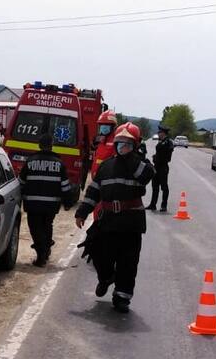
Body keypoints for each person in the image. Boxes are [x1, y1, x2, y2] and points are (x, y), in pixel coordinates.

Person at [75, 123, 154, 313]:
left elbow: (145, 177)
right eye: (120, 142)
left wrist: (131, 157)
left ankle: (122, 297)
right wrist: (83, 211)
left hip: (131, 222)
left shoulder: (141, 165)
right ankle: (106, 277)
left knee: (128, 262)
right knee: (97, 252)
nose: (122, 146)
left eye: (127, 143)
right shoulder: (107, 165)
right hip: (108, 219)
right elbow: (94, 189)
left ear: (135, 145)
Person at [19, 133, 76, 266]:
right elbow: (65, 186)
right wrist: (68, 203)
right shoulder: (59, 164)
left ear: (39, 145)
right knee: (47, 225)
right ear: (51, 146)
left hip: (33, 204)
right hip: (51, 205)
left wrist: (18, 199)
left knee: (35, 228)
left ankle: (41, 256)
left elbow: (21, 182)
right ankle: (46, 248)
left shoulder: (30, 161)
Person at [146, 125, 174, 212]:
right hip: (157, 167)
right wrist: (155, 157)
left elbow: (168, 153)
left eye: (160, 132)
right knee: (155, 186)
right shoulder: (161, 141)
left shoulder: (168, 142)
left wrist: (158, 157)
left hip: (163, 167)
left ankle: (164, 205)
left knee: (164, 187)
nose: (158, 134)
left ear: (163, 133)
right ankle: (153, 204)